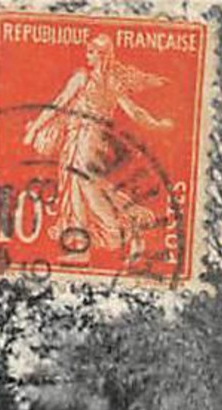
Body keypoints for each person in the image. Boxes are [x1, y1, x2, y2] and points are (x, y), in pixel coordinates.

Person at [22, 35, 174, 262]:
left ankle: (117, 232)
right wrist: (157, 124)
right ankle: (82, 248)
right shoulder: (112, 82)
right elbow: (135, 112)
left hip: (84, 138)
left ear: (101, 55)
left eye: (91, 52)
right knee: (82, 189)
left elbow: (59, 103)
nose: (87, 56)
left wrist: (35, 128)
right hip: (92, 140)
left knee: (85, 189)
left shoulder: (82, 77)